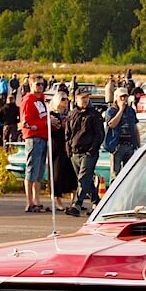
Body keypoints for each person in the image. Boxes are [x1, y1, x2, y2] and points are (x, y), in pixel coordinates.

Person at [64, 88, 104, 216]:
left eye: (87, 97)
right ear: (76, 98)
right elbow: (68, 134)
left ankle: (77, 205)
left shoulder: (94, 114)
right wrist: (69, 150)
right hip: (75, 153)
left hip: (89, 152)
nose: (85, 100)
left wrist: (92, 150)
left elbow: (99, 134)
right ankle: (97, 202)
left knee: (83, 178)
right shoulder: (72, 114)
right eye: (83, 97)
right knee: (86, 181)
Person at [20, 75, 49, 213]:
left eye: (42, 84)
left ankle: (37, 200)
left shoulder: (41, 100)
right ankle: (29, 201)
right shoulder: (28, 100)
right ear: (31, 85)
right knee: (32, 169)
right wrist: (42, 124)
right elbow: (26, 122)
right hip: (33, 137)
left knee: (39, 171)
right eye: (37, 84)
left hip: (43, 137)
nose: (40, 87)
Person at [46, 91, 78, 212]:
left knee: (71, 173)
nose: (65, 101)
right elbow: (55, 128)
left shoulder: (69, 114)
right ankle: (57, 199)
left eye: (66, 99)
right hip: (56, 146)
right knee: (57, 173)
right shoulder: (52, 114)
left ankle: (74, 200)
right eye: (63, 99)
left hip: (68, 146)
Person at [105, 87, 140, 175]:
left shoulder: (130, 111)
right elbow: (112, 124)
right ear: (116, 98)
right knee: (115, 174)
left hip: (129, 146)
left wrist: (138, 145)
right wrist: (120, 110)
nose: (124, 99)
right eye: (121, 97)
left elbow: (135, 128)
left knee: (129, 174)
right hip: (117, 146)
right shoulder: (111, 111)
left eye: (125, 97)